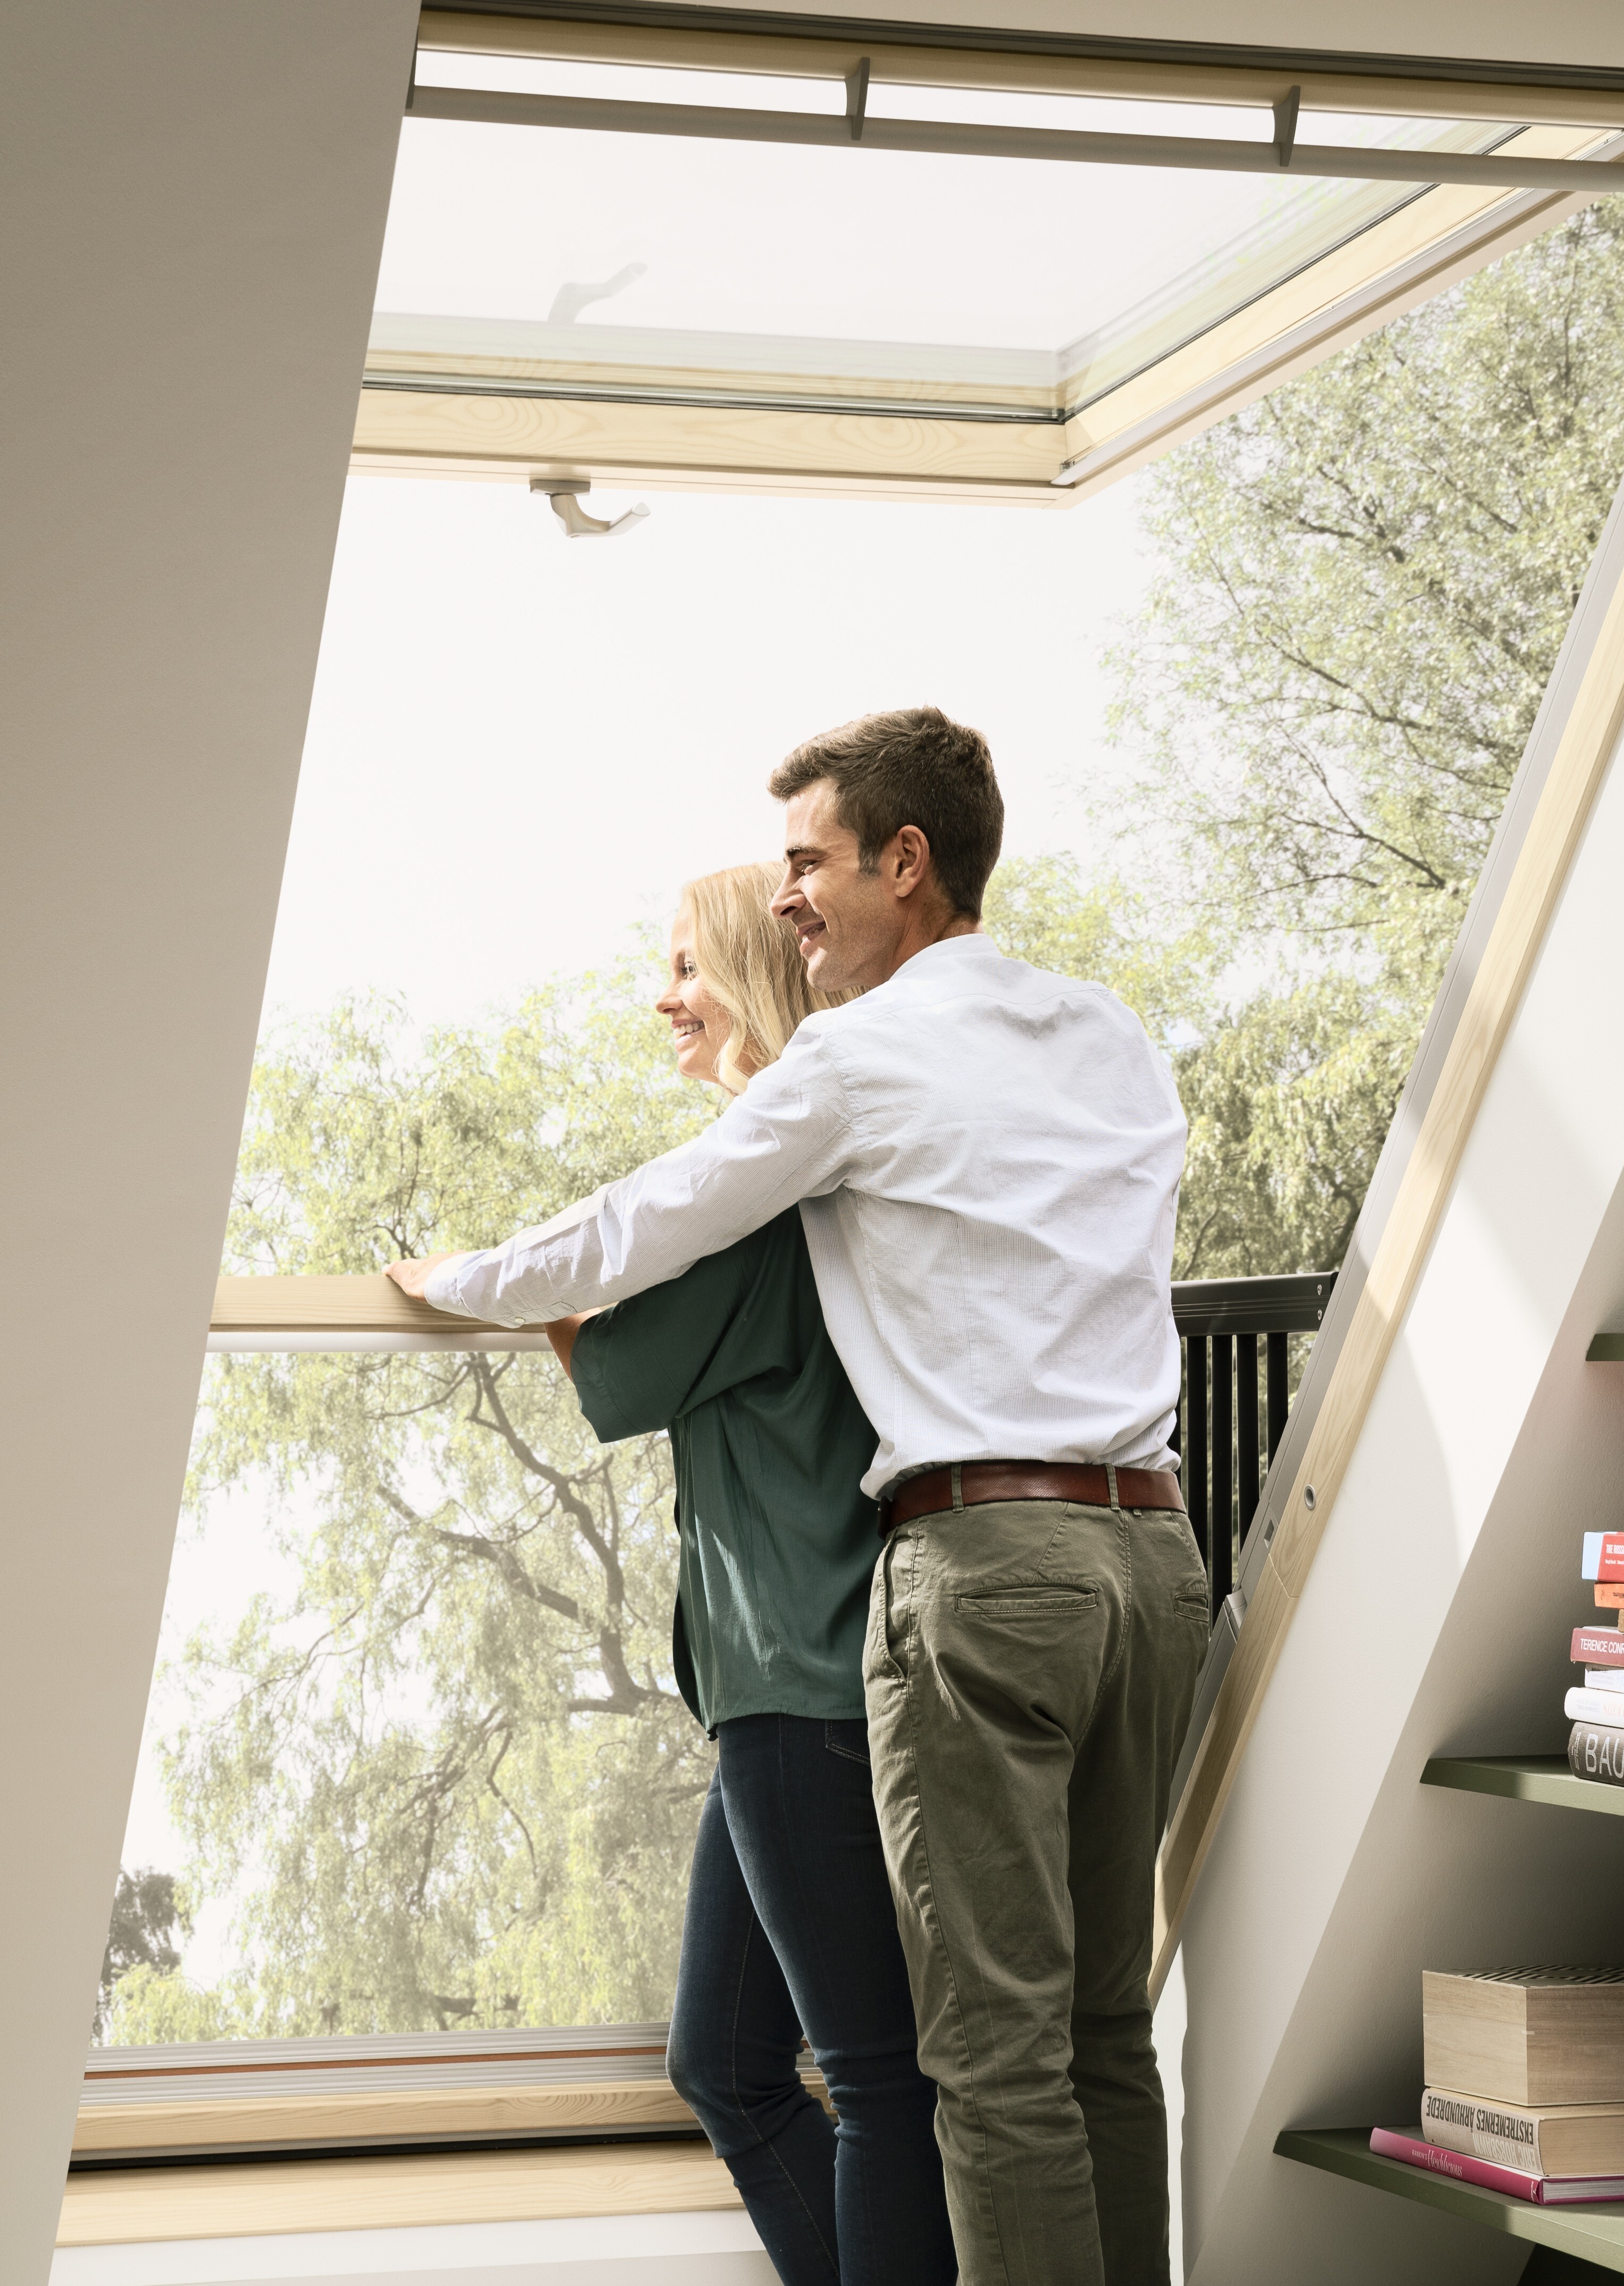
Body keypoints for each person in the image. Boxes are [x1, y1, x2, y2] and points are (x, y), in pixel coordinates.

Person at [390, 707, 1205, 2286]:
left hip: (989, 1569)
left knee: (989, 2058)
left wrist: (463, 1280)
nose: (786, 901)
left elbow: (648, 1220)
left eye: (807, 862)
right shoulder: (1106, 1031)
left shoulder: (864, 1054)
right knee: (1109, 2031)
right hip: (1152, 1553)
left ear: (908, 865)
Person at [546, 861, 956, 2286]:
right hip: (787, 1690)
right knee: (722, 2060)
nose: (662, 997)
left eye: (686, 966)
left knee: (876, 2076)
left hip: (810, 1683)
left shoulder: (761, 1203)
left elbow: (608, 1365)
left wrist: (524, 1275)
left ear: (751, 973)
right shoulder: (802, 1176)